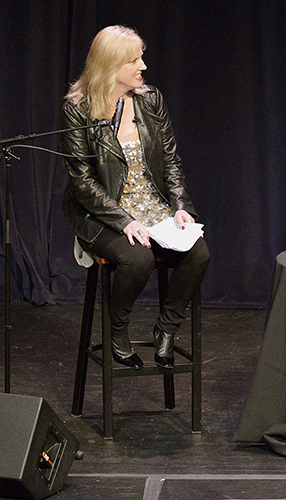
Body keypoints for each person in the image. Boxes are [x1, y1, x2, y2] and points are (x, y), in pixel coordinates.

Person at [61, 25, 210, 369]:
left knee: (199, 253)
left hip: (153, 207)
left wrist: (181, 207)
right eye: (134, 60)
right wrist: (125, 221)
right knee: (138, 259)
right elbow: (82, 182)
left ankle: (166, 329)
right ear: (110, 65)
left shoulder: (150, 99)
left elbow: (171, 161)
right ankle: (117, 329)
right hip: (102, 213)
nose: (143, 65)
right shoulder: (78, 109)